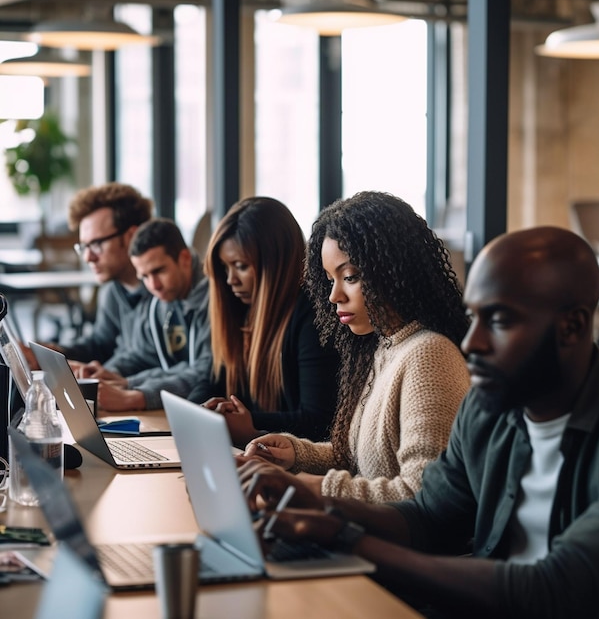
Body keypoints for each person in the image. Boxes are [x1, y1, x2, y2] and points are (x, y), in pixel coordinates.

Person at [240, 226, 599, 618]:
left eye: (499, 321)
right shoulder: (487, 408)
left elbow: (554, 587)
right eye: (474, 317)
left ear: (573, 327)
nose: (473, 342)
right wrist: (319, 503)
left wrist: (346, 539)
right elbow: (429, 514)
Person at [243, 191, 469, 503]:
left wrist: (313, 488)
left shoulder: (428, 357)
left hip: (392, 548)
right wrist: (295, 454)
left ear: (393, 271)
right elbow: (358, 463)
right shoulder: (381, 348)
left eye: (350, 276)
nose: (334, 295)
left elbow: (423, 496)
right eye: (329, 279)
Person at [187, 196, 339, 447]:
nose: (231, 280)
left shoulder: (313, 316)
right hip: (253, 456)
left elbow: (318, 421)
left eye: (240, 266)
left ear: (275, 263)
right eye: (225, 268)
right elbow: (211, 380)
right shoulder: (240, 309)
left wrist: (245, 422)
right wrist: (199, 409)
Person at [83, 218, 211, 412]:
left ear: (184, 259)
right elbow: (141, 354)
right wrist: (110, 374)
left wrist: (135, 396)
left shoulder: (216, 300)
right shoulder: (159, 301)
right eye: (144, 276)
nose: (153, 285)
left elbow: (205, 373)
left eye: (159, 271)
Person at [21, 182, 153, 370]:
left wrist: (101, 375)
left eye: (97, 244)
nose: (88, 257)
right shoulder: (113, 289)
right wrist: (54, 352)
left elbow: (148, 363)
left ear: (131, 237)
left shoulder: (164, 288)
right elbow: (100, 345)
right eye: (84, 247)